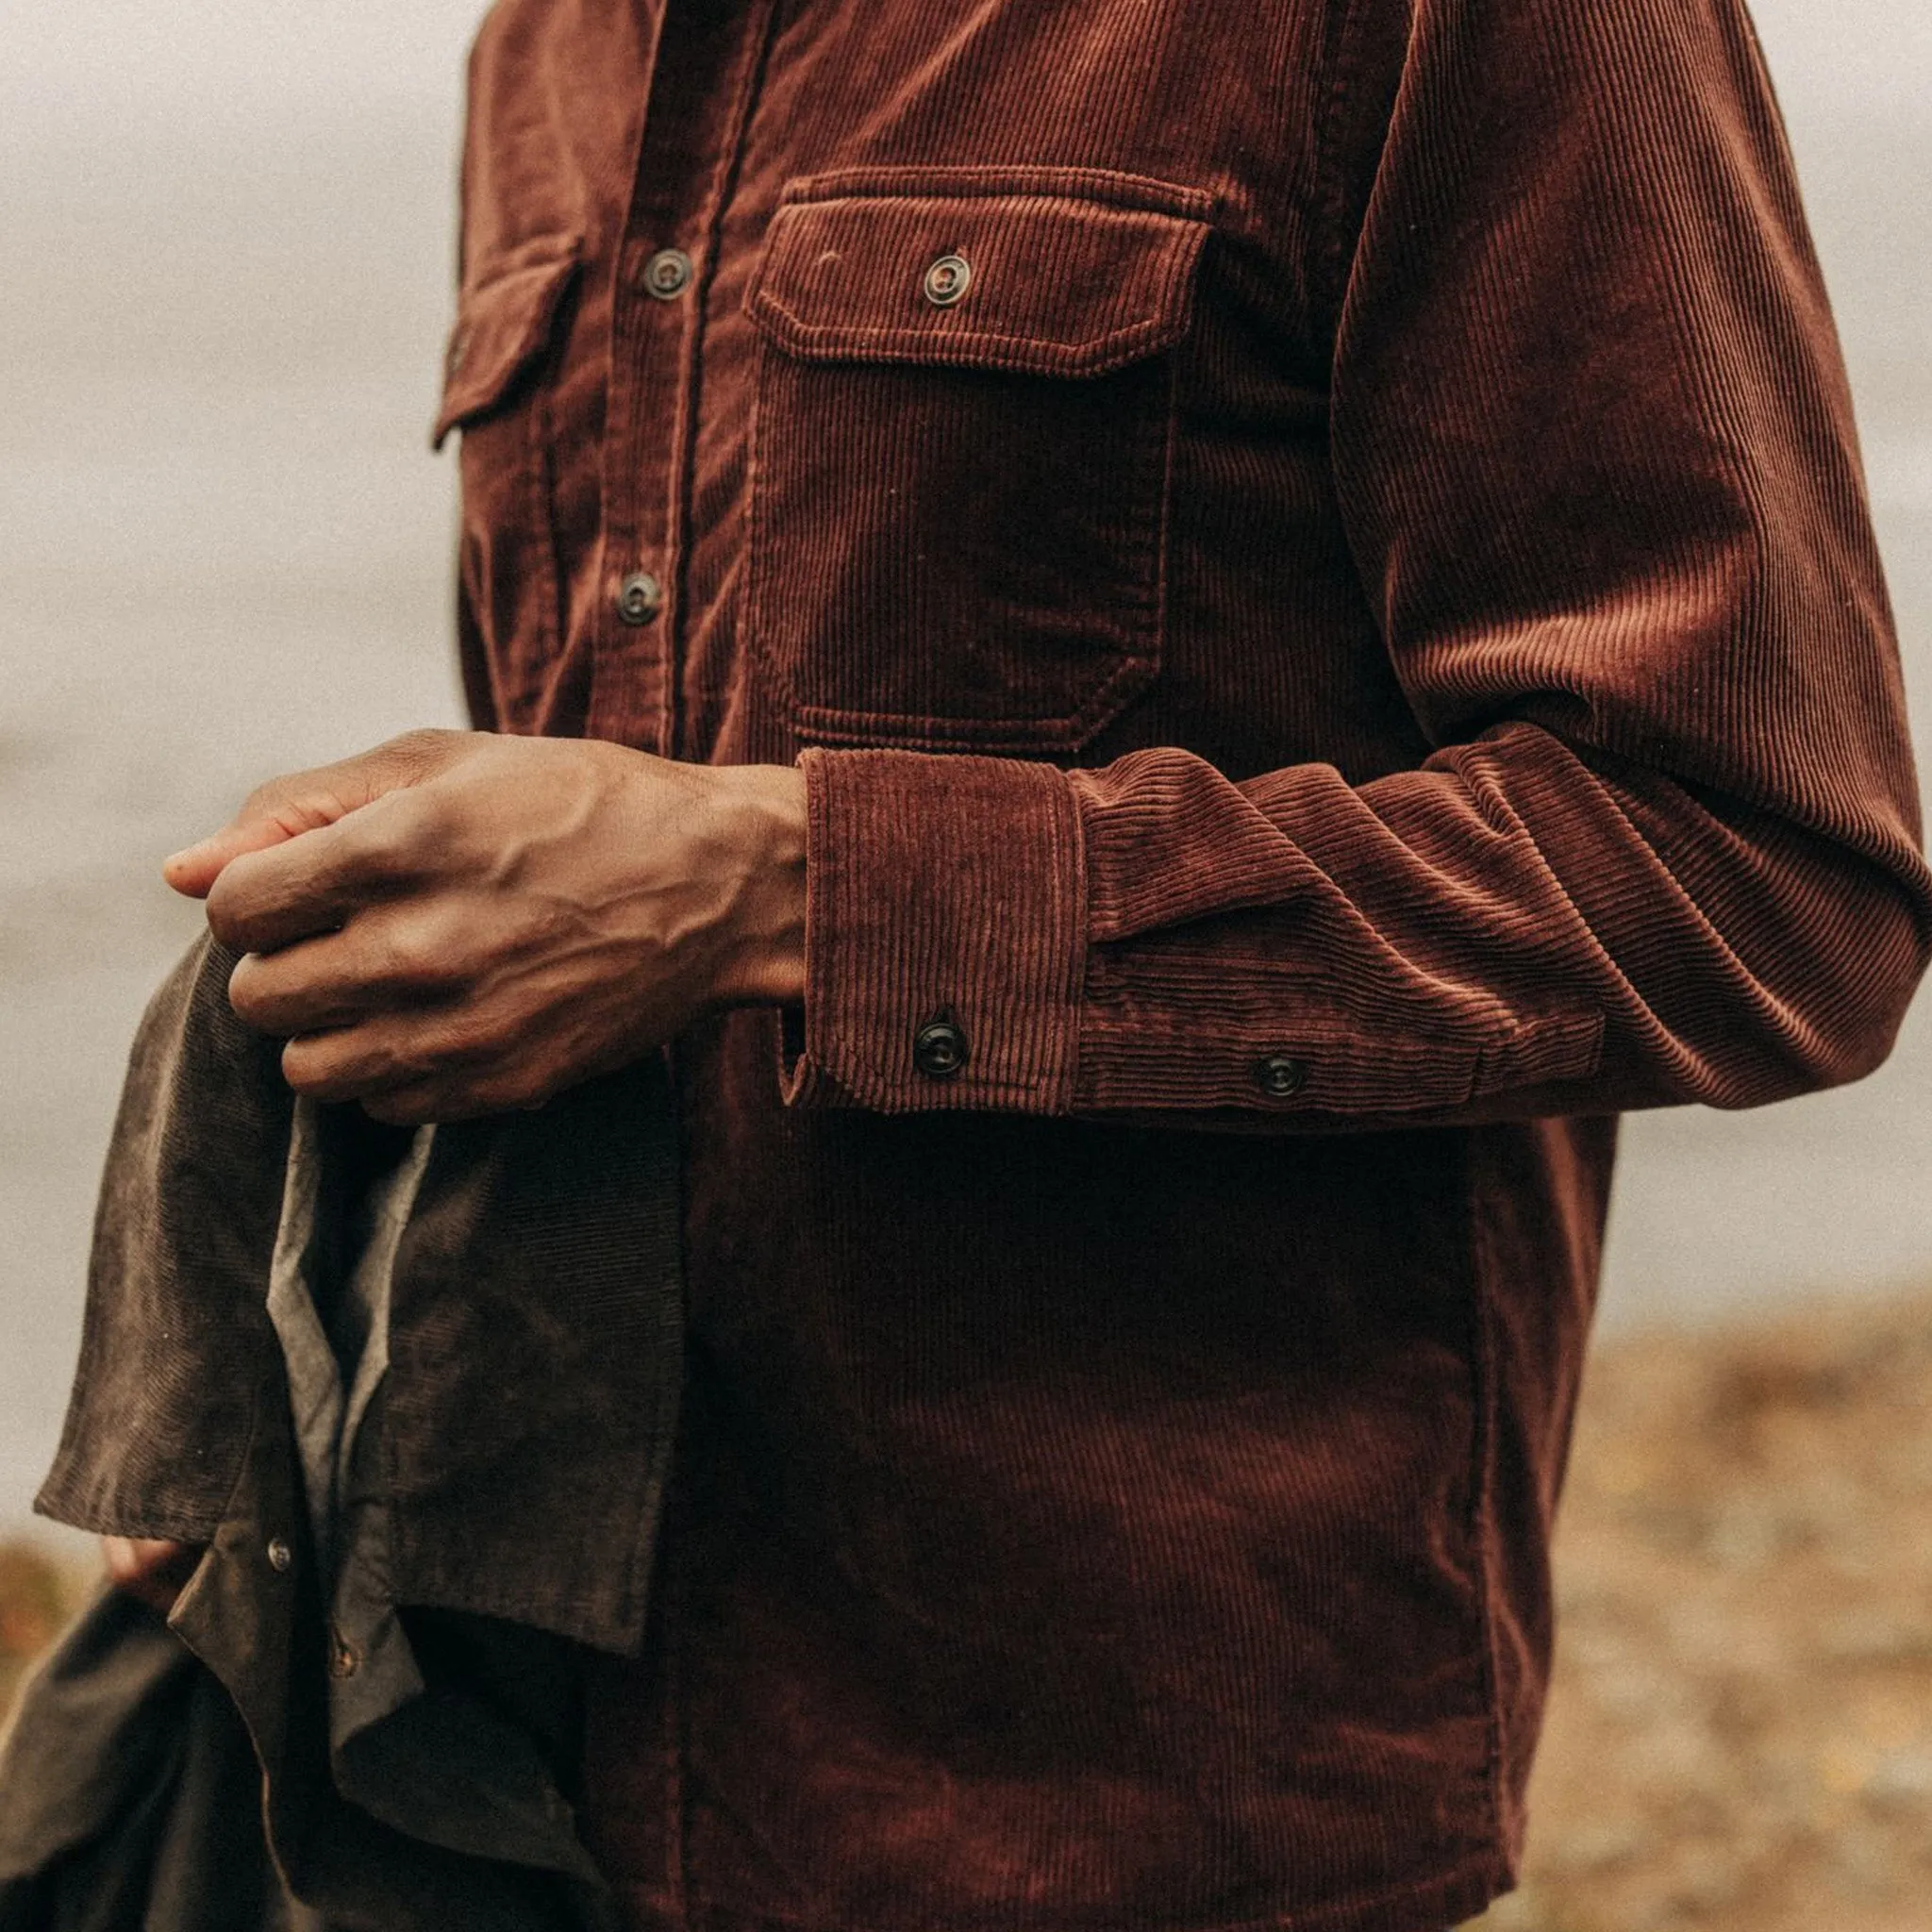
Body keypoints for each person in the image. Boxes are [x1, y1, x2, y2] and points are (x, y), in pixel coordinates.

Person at [105, 0, 1931, 1927]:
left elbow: (1758, 884)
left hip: (1131, 1801)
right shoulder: (551, 46)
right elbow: (610, 904)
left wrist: (783, 886)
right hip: (539, 1760)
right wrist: (290, 1374)